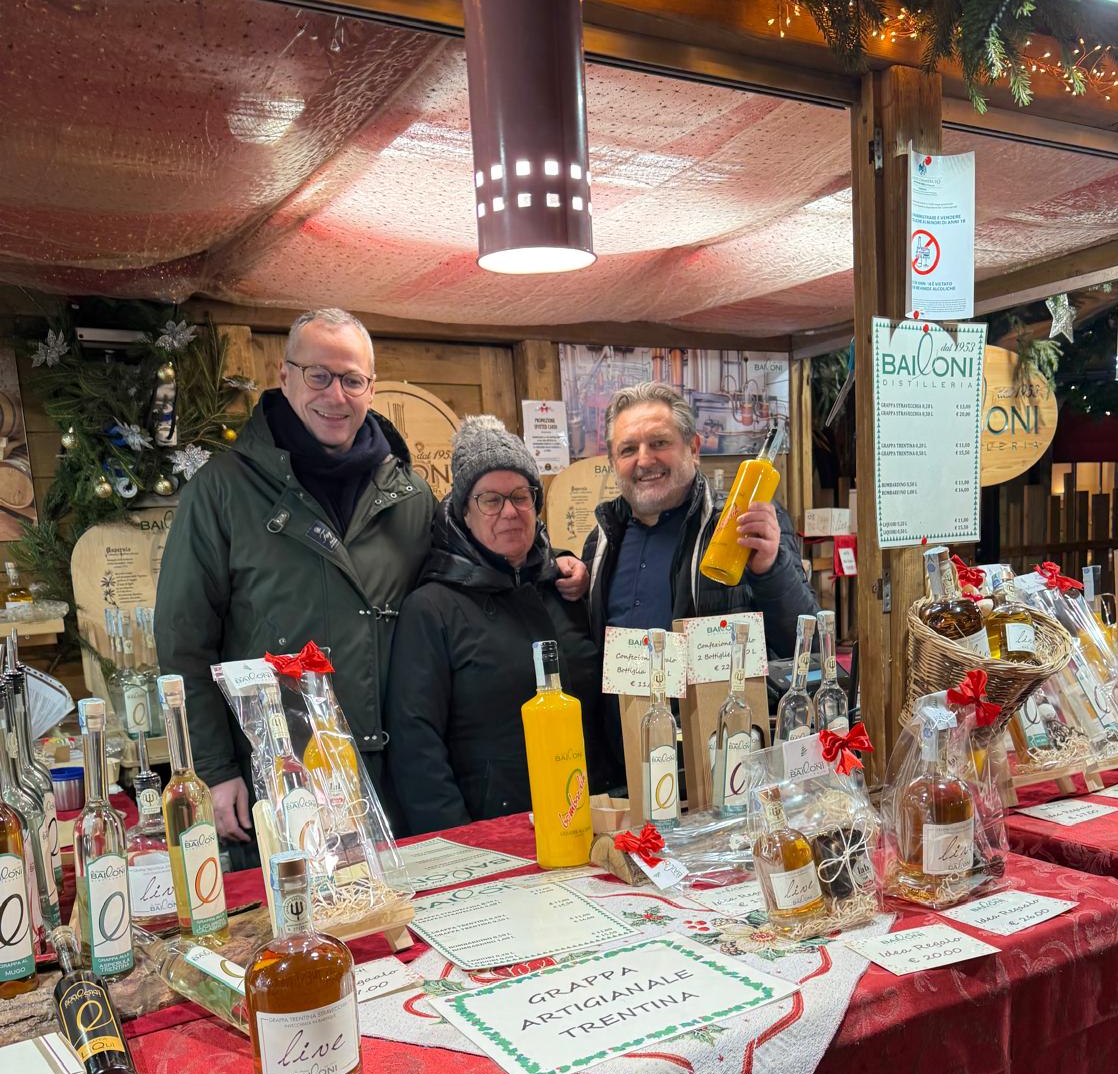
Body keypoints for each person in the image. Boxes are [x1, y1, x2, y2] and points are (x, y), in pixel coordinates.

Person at [155, 307, 588, 856]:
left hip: (394, 786)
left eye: (352, 380)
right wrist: (215, 770)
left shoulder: (409, 494)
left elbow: (475, 556)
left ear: (371, 387)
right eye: (319, 376)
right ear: (285, 376)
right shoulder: (222, 492)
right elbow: (184, 642)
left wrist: (553, 563)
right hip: (285, 780)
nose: (335, 396)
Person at [386, 416, 612, 833]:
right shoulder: (433, 608)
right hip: (495, 835)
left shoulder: (564, 590)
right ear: (464, 512)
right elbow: (416, 745)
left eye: (520, 496)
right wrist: (459, 842)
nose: (509, 512)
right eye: (490, 500)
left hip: (591, 818)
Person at [582, 380, 820, 653]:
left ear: (693, 449)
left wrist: (770, 570)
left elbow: (809, 647)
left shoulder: (745, 522)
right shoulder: (599, 542)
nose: (644, 460)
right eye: (628, 450)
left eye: (659, 443)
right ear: (613, 463)